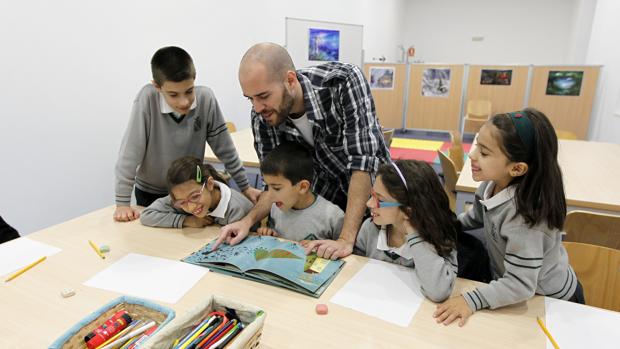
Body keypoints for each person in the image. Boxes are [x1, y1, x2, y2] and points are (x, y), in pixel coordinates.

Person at [213, 42, 390, 259]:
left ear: (290, 80)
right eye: (250, 99)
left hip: (375, 202)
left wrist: (345, 239)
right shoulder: (262, 117)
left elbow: (363, 165)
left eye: (263, 96)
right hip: (324, 208)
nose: (257, 108)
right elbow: (274, 183)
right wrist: (247, 221)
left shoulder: (342, 82)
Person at [434, 108, 585, 327]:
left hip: (550, 303)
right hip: (517, 289)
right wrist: (449, 227)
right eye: (477, 145)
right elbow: (477, 217)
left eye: (484, 153)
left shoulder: (525, 220)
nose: (473, 155)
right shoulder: (491, 183)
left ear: (517, 169)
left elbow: (520, 284)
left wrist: (471, 300)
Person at [114, 46, 260, 222]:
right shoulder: (147, 99)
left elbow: (225, 149)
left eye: (189, 91)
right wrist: (122, 203)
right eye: (173, 95)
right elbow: (130, 154)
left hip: (191, 194)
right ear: (157, 86)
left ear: (194, 78)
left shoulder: (205, 99)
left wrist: (245, 187)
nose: (184, 102)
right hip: (151, 194)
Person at [355, 160, 458, 302]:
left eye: (379, 199)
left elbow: (438, 292)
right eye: (372, 195)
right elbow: (356, 270)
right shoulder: (370, 228)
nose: (369, 204)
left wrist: (412, 230)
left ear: (408, 210)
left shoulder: (439, 239)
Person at [255, 142, 344, 242]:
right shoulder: (276, 207)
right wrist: (269, 233)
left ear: (302, 187)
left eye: (276, 188)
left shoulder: (333, 216)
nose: (270, 195)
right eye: (268, 186)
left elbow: (347, 253)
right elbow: (276, 237)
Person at [140, 156, 253, 228]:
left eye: (195, 197)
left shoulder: (236, 209)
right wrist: (185, 220)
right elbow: (147, 215)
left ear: (209, 184)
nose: (190, 207)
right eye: (182, 202)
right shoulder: (182, 196)